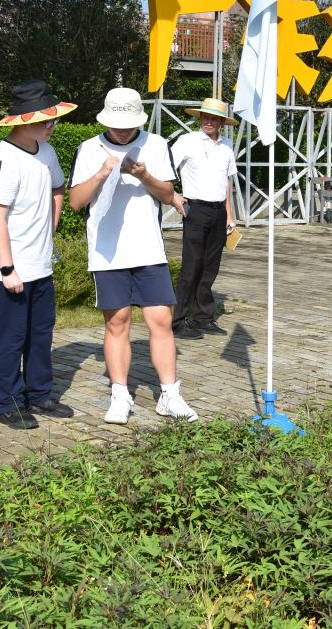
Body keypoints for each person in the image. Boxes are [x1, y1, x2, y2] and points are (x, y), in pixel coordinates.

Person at [68, 87, 198, 425]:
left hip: (148, 248)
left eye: (129, 125)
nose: (123, 131)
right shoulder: (89, 148)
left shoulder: (155, 144)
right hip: (107, 252)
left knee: (161, 321)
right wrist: (101, 173)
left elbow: (168, 194)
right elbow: (76, 202)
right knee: (117, 322)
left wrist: (143, 175)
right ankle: (120, 393)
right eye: (117, 124)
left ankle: (169, 394)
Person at [0, 79, 77, 429]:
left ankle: (39, 393)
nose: (52, 125)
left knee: (40, 333)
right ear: (22, 121)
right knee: (9, 338)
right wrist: (7, 269)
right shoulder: (3, 160)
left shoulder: (46, 151)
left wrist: (50, 227)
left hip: (41, 263)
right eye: (45, 120)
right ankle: (8, 404)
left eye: (54, 119)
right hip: (7, 268)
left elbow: (58, 188)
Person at [170, 98, 238, 340]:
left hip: (219, 211)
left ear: (222, 122)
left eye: (214, 118)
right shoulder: (187, 141)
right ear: (199, 118)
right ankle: (177, 321)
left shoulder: (227, 146)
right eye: (205, 117)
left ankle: (203, 318)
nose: (209, 122)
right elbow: (166, 168)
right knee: (191, 265)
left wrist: (229, 215)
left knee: (211, 266)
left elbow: (226, 182)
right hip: (196, 208)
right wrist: (173, 196)